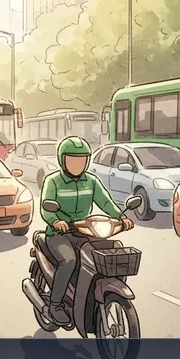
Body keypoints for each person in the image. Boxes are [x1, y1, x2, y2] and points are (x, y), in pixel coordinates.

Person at [39, 136, 134, 325]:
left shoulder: (91, 181)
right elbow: (44, 208)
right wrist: (56, 221)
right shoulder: (53, 181)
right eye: (72, 160)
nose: (77, 164)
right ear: (62, 160)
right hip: (59, 235)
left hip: (84, 232)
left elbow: (105, 202)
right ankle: (55, 304)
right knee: (69, 260)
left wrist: (121, 217)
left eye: (82, 160)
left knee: (111, 252)